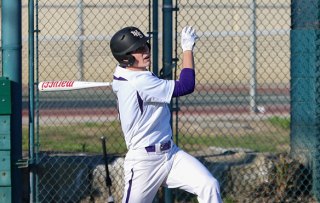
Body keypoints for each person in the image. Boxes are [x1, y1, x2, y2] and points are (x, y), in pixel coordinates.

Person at [110, 26, 222, 203]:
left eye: (145, 45)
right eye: (138, 50)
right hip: (144, 162)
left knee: (209, 185)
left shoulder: (125, 74)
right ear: (126, 58)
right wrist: (187, 48)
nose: (145, 51)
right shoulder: (139, 81)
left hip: (171, 154)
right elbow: (186, 85)